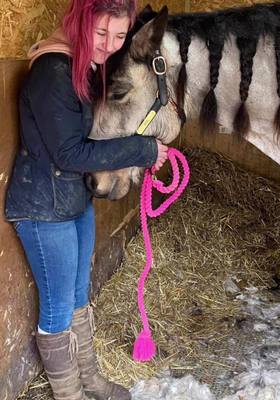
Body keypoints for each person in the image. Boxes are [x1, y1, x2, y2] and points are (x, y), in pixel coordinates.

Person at [5, 1, 168, 399]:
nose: (110, 45)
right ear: (81, 23)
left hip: (73, 199)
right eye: (101, 33)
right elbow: (70, 153)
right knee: (58, 309)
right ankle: (69, 393)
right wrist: (143, 151)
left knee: (79, 297)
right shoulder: (53, 72)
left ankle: (89, 378)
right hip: (43, 206)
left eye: (118, 36)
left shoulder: (88, 67)